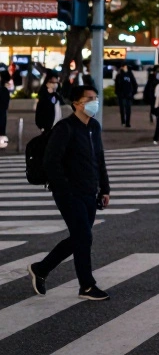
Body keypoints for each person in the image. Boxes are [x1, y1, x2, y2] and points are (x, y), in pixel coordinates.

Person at [28, 86, 111, 301]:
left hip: (89, 191)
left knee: (79, 237)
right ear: (76, 103)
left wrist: (105, 188)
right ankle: (87, 286)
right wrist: (64, 188)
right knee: (84, 236)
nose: (94, 102)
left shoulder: (94, 126)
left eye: (96, 98)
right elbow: (51, 162)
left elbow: (99, 159)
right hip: (69, 193)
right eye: (89, 99)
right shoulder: (65, 128)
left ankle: (41, 268)